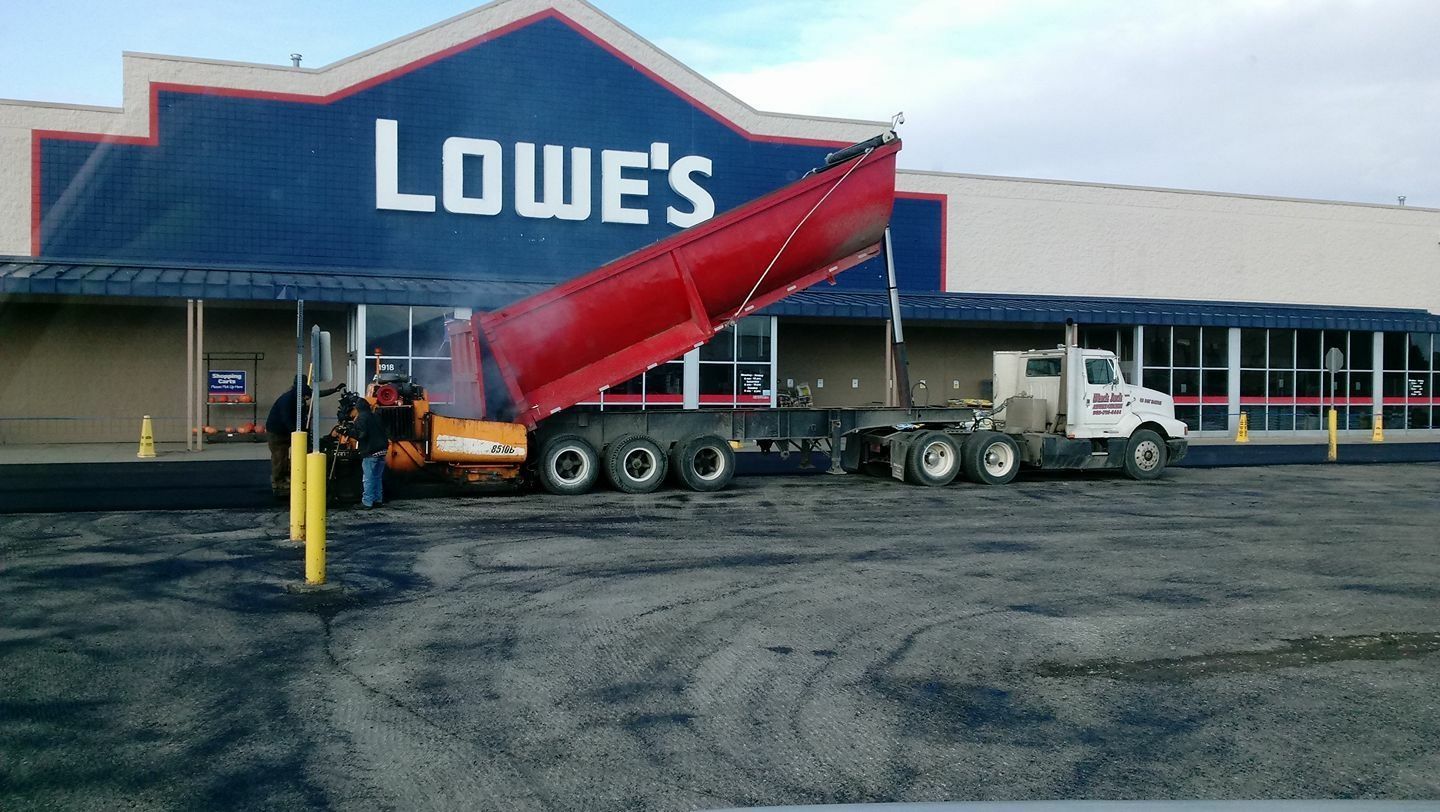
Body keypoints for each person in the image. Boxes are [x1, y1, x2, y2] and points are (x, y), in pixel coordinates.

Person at [264, 380, 344, 497]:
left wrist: (334, 390)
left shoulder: (298, 394)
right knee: (279, 457)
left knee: (291, 456)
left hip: (288, 430)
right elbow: (286, 419)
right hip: (277, 431)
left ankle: (287, 477)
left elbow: (316, 393)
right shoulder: (286, 401)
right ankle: (278, 482)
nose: (307, 399)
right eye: (306, 397)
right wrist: (297, 433)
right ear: (300, 394)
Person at [346, 398, 389, 508]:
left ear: (358, 408)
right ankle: (377, 499)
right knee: (377, 477)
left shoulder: (362, 418)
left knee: (368, 478)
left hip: (370, 451)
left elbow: (361, 434)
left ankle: (367, 502)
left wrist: (348, 431)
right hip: (382, 450)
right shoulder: (376, 416)